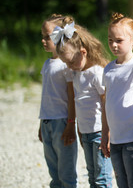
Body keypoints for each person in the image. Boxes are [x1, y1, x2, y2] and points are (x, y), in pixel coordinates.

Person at [52, 16, 113, 187]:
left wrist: (108, 133)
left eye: (71, 61)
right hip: (86, 132)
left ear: (83, 52)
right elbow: (79, 103)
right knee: (92, 174)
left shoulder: (96, 73)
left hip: (100, 132)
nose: (69, 66)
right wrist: (78, 128)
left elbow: (105, 102)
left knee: (102, 177)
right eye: (65, 63)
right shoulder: (76, 73)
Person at [101, 13, 133, 188]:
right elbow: (107, 103)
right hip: (115, 139)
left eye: (119, 40)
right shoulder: (108, 69)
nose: (114, 45)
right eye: (110, 40)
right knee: (121, 182)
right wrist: (105, 133)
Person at [38, 14, 78, 188]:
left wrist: (70, 123)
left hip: (62, 123)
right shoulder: (47, 64)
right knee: (53, 172)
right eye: (43, 36)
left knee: (66, 173)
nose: (43, 40)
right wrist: (42, 124)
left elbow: (71, 96)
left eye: (48, 36)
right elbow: (46, 96)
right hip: (48, 122)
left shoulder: (66, 65)